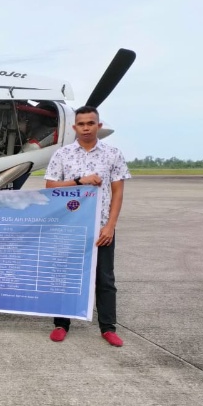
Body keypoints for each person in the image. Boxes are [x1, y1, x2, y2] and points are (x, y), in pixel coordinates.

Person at [44, 105, 130, 347]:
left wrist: (110, 227)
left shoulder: (113, 154)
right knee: (65, 276)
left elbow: (117, 193)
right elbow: (50, 186)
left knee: (105, 279)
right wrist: (80, 180)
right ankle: (61, 324)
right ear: (74, 127)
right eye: (81, 124)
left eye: (90, 123)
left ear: (99, 126)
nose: (85, 128)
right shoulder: (62, 154)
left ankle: (108, 327)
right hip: (69, 228)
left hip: (101, 227)